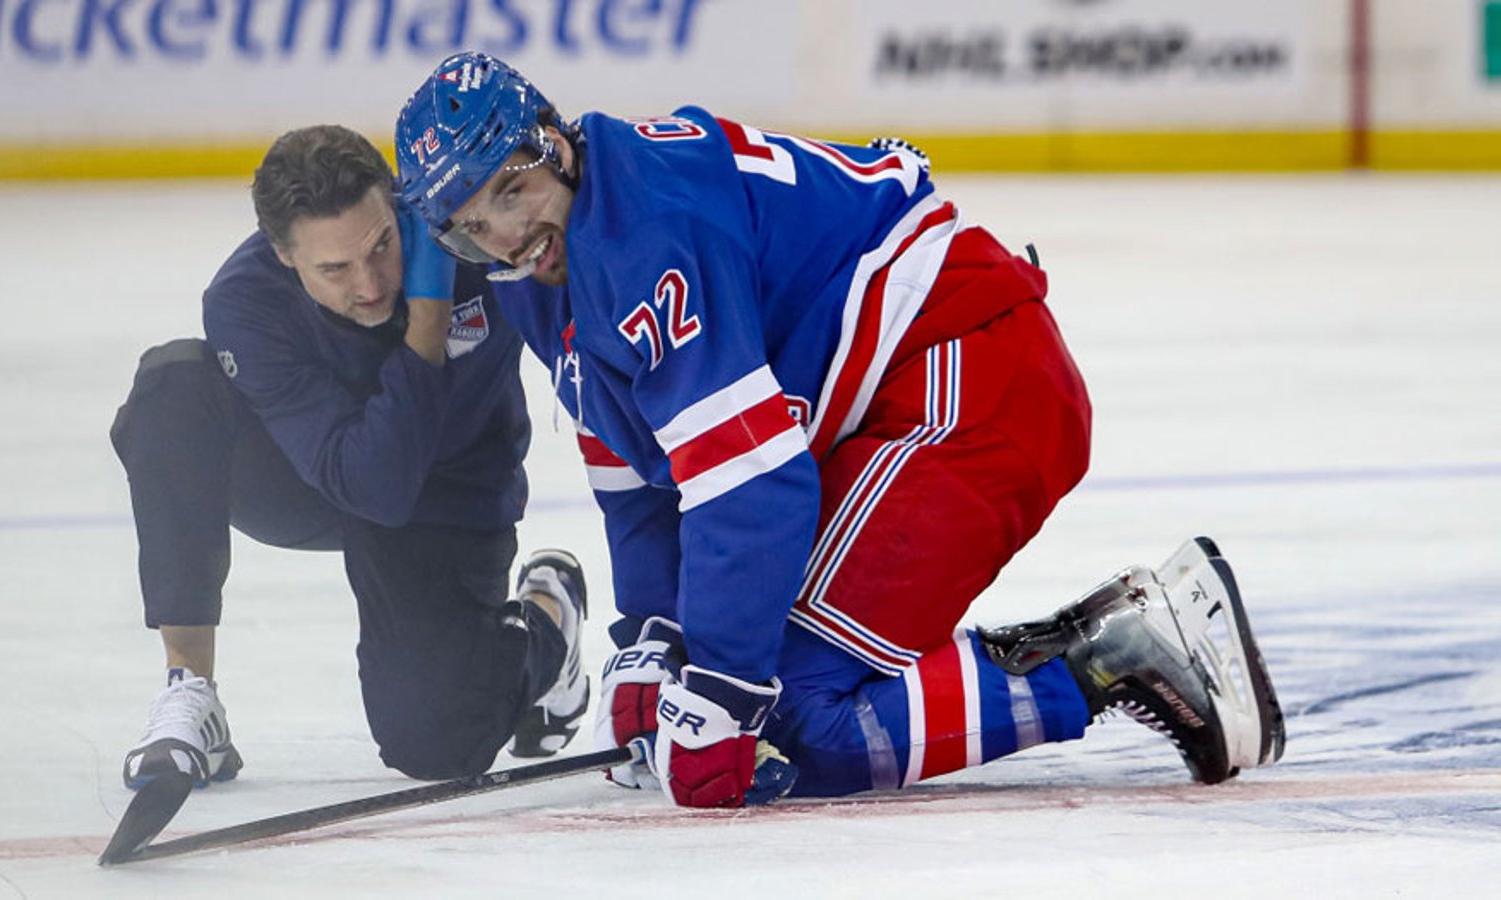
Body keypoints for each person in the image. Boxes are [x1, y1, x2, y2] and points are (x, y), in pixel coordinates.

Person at [392, 53, 1285, 808]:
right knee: (748, 695)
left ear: (553, 145)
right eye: (473, 228)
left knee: (785, 718)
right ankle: (1099, 643)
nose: (510, 238)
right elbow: (636, 466)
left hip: (971, 383)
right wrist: (655, 633)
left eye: (514, 192)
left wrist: (724, 688)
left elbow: (748, 484)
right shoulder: (551, 255)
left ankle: (1112, 657)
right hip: (900, 396)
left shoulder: (647, 236)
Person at [110, 124, 590, 791]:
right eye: (333, 269)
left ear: (398, 207)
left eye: (383, 247)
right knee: (173, 387)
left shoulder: (472, 236)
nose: (369, 286)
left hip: (450, 493)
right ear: (283, 256)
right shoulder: (246, 301)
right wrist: (426, 325)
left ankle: (547, 618)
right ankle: (190, 691)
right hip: (328, 475)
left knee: (436, 743)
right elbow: (370, 487)